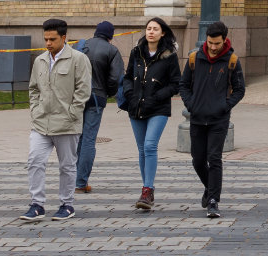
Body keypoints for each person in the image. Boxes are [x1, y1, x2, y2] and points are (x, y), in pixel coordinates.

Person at [19, 19, 92, 223]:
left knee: (67, 166)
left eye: (52, 39)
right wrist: (35, 109)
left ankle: (67, 204)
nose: (48, 43)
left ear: (64, 38)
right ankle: (37, 204)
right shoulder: (40, 60)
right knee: (35, 161)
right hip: (41, 123)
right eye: (46, 39)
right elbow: (33, 88)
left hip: (67, 123)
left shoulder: (79, 59)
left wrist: (72, 113)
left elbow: (83, 90)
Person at [179, 20, 246, 219]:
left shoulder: (231, 60)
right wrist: (191, 105)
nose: (213, 47)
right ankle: (210, 188)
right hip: (197, 117)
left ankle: (213, 201)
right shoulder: (194, 58)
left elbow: (240, 89)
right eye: (210, 43)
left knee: (214, 158)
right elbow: (183, 85)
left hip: (219, 120)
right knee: (198, 160)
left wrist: (224, 106)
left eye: (217, 43)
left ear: (224, 40)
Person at [120, 16, 179, 212]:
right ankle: (146, 189)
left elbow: (175, 84)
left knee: (150, 145)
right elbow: (127, 77)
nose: (151, 31)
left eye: (155, 29)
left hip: (158, 108)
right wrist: (129, 93)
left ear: (162, 33)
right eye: (148, 28)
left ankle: (148, 189)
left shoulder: (169, 55)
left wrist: (158, 95)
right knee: (141, 149)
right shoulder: (136, 52)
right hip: (136, 106)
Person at [74, 20, 124, 194]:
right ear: (110, 36)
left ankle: (70, 179)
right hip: (96, 98)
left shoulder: (81, 46)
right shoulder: (112, 50)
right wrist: (107, 92)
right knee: (88, 139)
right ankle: (80, 183)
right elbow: (116, 78)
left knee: (75, 138)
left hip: (76, 98)